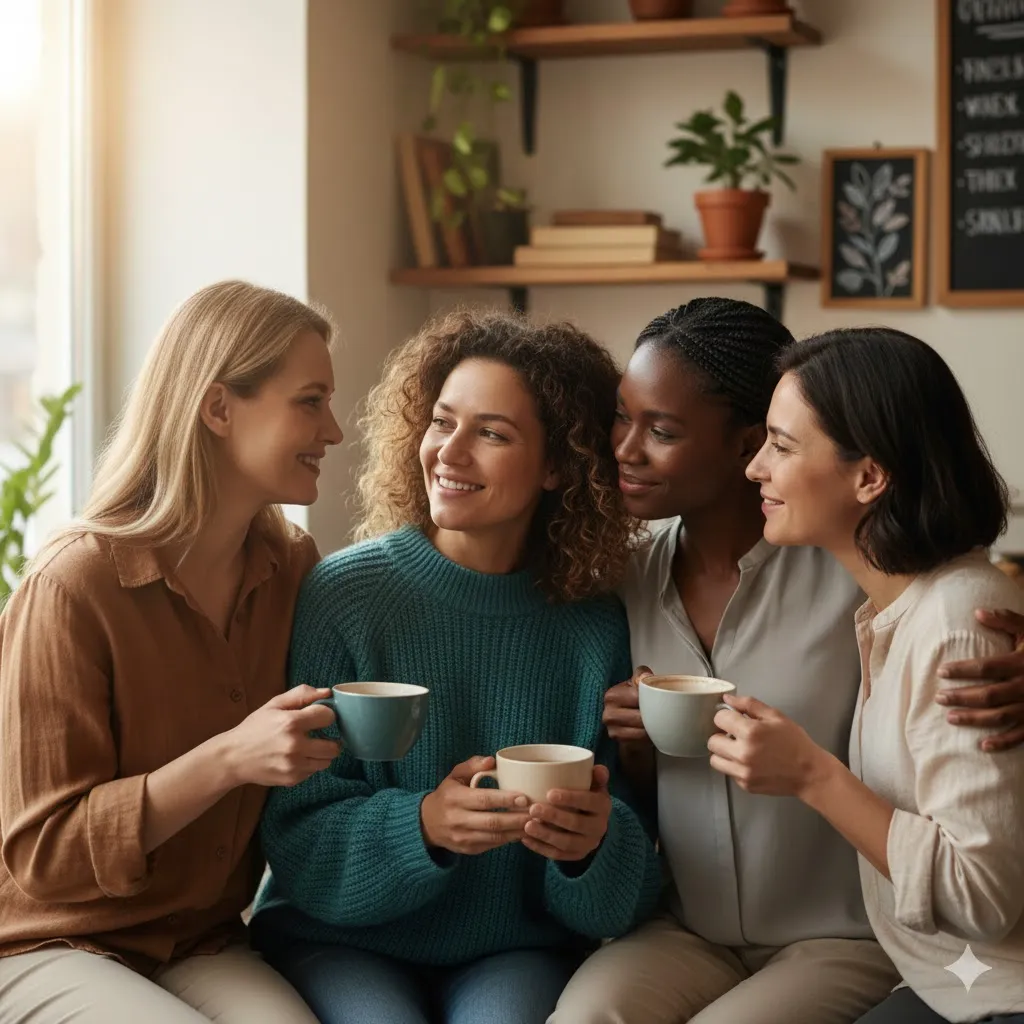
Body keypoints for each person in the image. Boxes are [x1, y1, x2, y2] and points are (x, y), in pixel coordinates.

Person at [549, 298, 1024, 1024]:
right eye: (623, 416)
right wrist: (636, 749)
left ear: (744, 443)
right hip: (688, 929)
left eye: (664, 430)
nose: (624, 448)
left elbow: (961, 612)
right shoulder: (628, 578)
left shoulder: (870, 579)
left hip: (851, 937)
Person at [249, 309, 663, 1024]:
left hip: (515, 947)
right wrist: (425, 824)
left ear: (560, 466)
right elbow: (296, 834)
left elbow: (624, 880)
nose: (450, 452)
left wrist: (589, 846)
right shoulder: (344, 594)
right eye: (442, 422)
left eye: (492, 433)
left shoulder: (595, 625)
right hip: (339, 940)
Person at [0, 280, 344, 1024]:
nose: (336, 430)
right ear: (219, 408)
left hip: (201, 939)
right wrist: (229, 758)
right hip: (48, 941)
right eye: (310, 401)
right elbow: (44, 856)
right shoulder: (73, 585)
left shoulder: (293, 568)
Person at [718, 326, 1024, 1024]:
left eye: (782, 446)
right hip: (942, 987)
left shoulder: (959, 624)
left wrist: (811, 775)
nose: (754, 469)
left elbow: (981, 895)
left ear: (869, 476)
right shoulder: (899, 610)